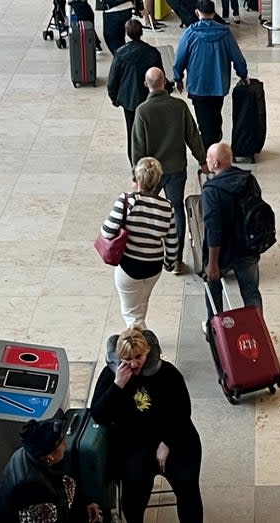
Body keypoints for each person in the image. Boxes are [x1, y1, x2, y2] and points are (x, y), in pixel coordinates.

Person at [91, 328, 202, 523]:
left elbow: (182, 413)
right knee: (133, 494)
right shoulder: (111, 376)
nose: (134, 363)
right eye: (127, 359)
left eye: (138, 356)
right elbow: (99, 415)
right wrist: (117, 386)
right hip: (134, 442)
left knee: (187, 488)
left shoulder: (168, 373)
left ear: (148, 352)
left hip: (174, 435)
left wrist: (166, 442)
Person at [131, 66, 208, 273]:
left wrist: (136, 176)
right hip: (175, 169)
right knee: (176, 211)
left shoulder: (142, 111)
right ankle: (175, 260)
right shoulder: (179, 106)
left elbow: (137, 147)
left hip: (150, 173)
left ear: (146, 84)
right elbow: (193, 135)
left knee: (147, 210)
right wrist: (202, 160)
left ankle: (148, 254)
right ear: (164, 82)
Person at [100, 157, 178, 329]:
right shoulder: (167, 206)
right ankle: (142, 341)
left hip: (129, 267)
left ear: (136, 180)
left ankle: (141, 347)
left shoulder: (126, 201)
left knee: (131, 315)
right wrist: (169, 263)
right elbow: (172, 240)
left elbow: (107, 231)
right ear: (158, 181)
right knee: (141, 306)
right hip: (153, 268)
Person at [171, 0, 248, 148]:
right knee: (215, 116)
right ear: (213, 13)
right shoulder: (225, 33)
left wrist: (177, 77)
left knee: (203, 121)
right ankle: (213, 142)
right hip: (219, 85)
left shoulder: (190, 33)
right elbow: (237, 57)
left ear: (197, 12)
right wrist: (243, 74)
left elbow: (180, 58)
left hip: (198, 86)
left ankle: (209, 153)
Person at [201, 143, 263, 322]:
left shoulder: (212, 191)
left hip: (223, 252)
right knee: (251, 293)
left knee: (214, 293)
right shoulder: (248, 180)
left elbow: (214, 229)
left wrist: (212, 263)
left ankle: (217, 332)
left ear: (215, 163)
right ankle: (257, 329)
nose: (206, 161)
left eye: (208, 158)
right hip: (248, 247)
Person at [0, 418, 102, 523]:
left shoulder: (32, 453)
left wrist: (85, 504)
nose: (66, 444)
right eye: (61, 442)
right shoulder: (32, 487)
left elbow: (65, 484)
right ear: (50, 456)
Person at [107, 19, 163, 158]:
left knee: (132, 132)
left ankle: (135, 163)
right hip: (149, 98)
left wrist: (113, 96)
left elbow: (113, 79)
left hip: (129, 100)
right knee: (150, 131)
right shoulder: (152, 52)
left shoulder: (120, 54)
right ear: (141, 32)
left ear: (127, 33)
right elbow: (160, 75)